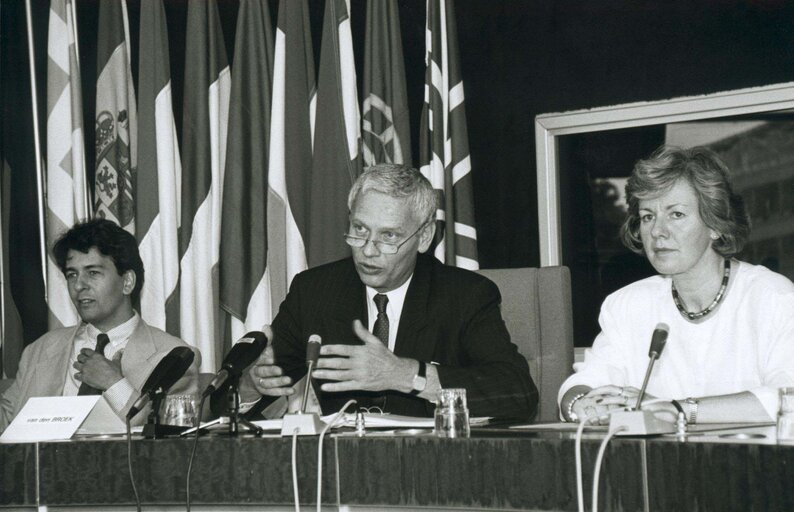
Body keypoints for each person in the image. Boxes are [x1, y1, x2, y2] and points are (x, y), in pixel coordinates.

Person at [239, 164, 537, 420]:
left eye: (388, 236)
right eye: (359, 230)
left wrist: (407, 375)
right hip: (334, 467)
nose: (368, 250)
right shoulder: (314, 290)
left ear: (423, 237)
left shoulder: (465, 295)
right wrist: (254, 386)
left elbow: (517, 393)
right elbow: (266, 385)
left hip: (428, 467)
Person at [558, 145, 794, 425]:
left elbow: (786, 398)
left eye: (676, 214)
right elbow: (587, 381)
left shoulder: (773, 297)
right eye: (648, 216)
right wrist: (580, 403)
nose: (657, 231)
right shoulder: (627, 305)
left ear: (715, 224)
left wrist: (676, 410)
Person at [0, 219, 200, 432]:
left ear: (127, 282)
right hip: (41, 464)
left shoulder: (174, 357)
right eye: (72, 274)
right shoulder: (38, 351)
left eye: (93, 273)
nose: (78, 285)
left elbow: (175, 443)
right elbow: (6, 425)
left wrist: (114, 384)